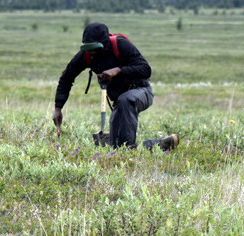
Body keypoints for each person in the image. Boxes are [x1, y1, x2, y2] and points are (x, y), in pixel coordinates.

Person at [52, 22, 178, 151]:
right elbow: (66, 79)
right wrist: (58, 107)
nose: (93, 52)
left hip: (141, 91)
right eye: (89, 49)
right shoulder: (87, 55)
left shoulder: (120, 45)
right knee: (117, 146)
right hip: (119, 102)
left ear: (104, 43)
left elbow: (146, 70)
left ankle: (140, 149)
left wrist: (119, 70)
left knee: (125, 103)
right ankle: (162, 145)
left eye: (95, 48)